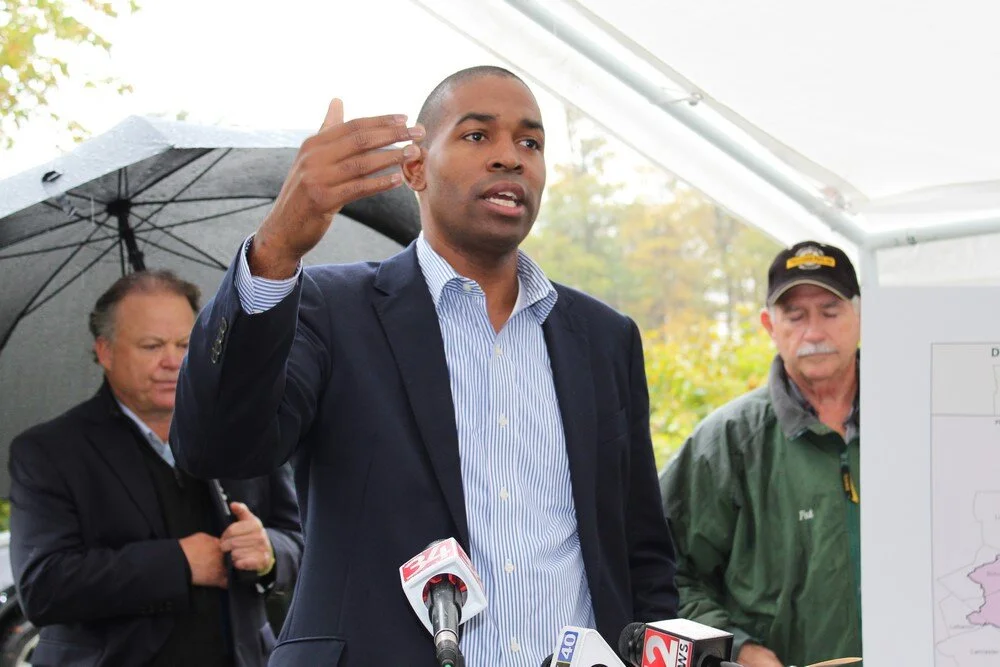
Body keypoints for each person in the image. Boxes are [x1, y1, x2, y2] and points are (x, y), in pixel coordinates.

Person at [171, 65, 678, 666]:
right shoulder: (330, 310)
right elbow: (219, 448)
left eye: (530, 142)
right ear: (415, 168)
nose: (510, 158)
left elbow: (642, 550)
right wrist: (278, 249)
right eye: (476, 136)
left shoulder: (603, 338)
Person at [8, 270, 303, 667]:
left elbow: (299, 539)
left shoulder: (246, 431)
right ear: (105, 351)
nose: (172, 361)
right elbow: (42, 586)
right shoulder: (48, 452)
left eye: (185, 343)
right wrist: (178, 563)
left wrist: (269, 551)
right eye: (151, 346)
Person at [660, 241, 862, 667]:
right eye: (796, 316)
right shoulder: (727, 440)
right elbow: (665, 570)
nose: (814, 332)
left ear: (860, 316)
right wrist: (737, 647)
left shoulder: (915, 421)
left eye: (830, 311)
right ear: (770, 325)